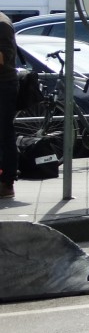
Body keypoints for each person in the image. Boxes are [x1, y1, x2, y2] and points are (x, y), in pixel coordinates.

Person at [0, 11, 18, 199]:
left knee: (5, 133)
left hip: (3, 86)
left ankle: (7, 183)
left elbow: (3, 58)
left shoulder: (2, 24)